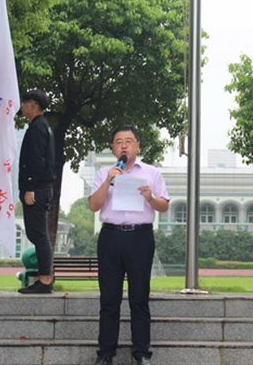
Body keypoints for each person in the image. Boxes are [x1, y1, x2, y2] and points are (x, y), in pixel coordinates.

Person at [89, 125, 169, 365]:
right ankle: (106, 353)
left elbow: (164, 205)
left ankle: (141, 353)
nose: (124, 146)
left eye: (129, 141)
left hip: (140, 237)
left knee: (139, 297)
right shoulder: (104, 173)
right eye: (118, 142)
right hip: (111, 237)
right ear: (113, 148)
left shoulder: (152, 173)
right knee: (109, 298)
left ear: (138, 146)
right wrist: (108, 181)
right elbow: (93, 205)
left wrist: (150, 197)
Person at [18, 90, 55, 294]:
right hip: (41, 187)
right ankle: (44, 278)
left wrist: (30, 187)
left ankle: (44, 279)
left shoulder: (37, 127)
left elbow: (37, 160)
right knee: (37, 234)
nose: (22, 107)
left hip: (37, 188)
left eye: (24, 103)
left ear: (33, 104)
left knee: (39, 235)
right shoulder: (42, 126)